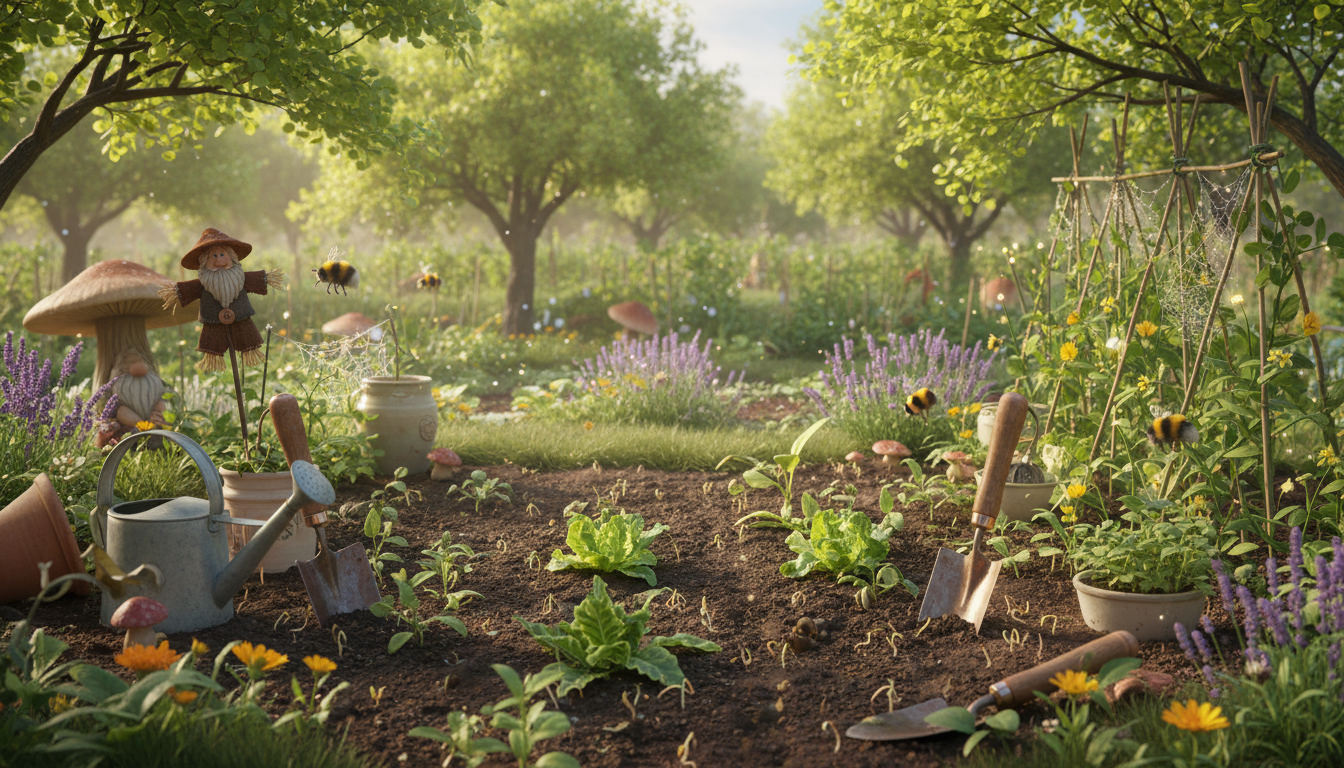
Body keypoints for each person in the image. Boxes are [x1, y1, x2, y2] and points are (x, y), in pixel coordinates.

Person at [158, 228, 284, 372]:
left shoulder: (240, 277)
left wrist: (268, 278)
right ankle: (212, 360)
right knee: (211, 341)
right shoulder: (203, 282)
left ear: (231, 256)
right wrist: (175, 292)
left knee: (247, 337)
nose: (218, 259)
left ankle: (251, 354)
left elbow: (256, 279)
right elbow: (188, 290)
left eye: (222, 254)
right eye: (214, 256)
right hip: (213, 322)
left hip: (241, 317)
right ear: (204, 260)